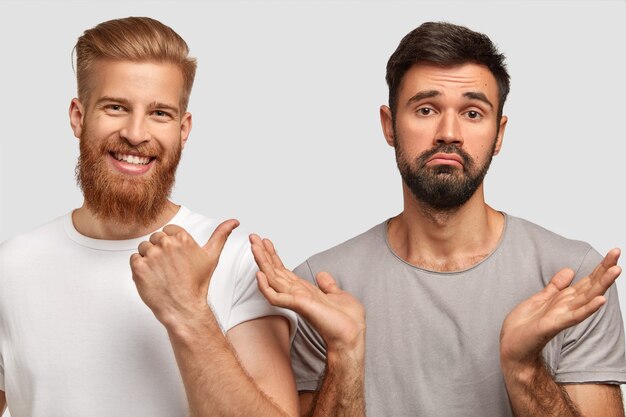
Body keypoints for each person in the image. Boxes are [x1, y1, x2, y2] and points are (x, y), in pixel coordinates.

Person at [250, 22, 626, 417]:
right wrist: (344, 355)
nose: (449, 133)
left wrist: (524, 369)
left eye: (472, 112)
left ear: (499, 134)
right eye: (426, 109)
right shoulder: (320, 288)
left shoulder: (577, 280)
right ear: (388, 125)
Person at [0, 16, 300, 417]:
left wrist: (189, 312)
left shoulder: (235, 260)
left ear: (183, 128)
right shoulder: (12, 265)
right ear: (78, 116)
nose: (136, 133)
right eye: (116, 107)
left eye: (160, 113)